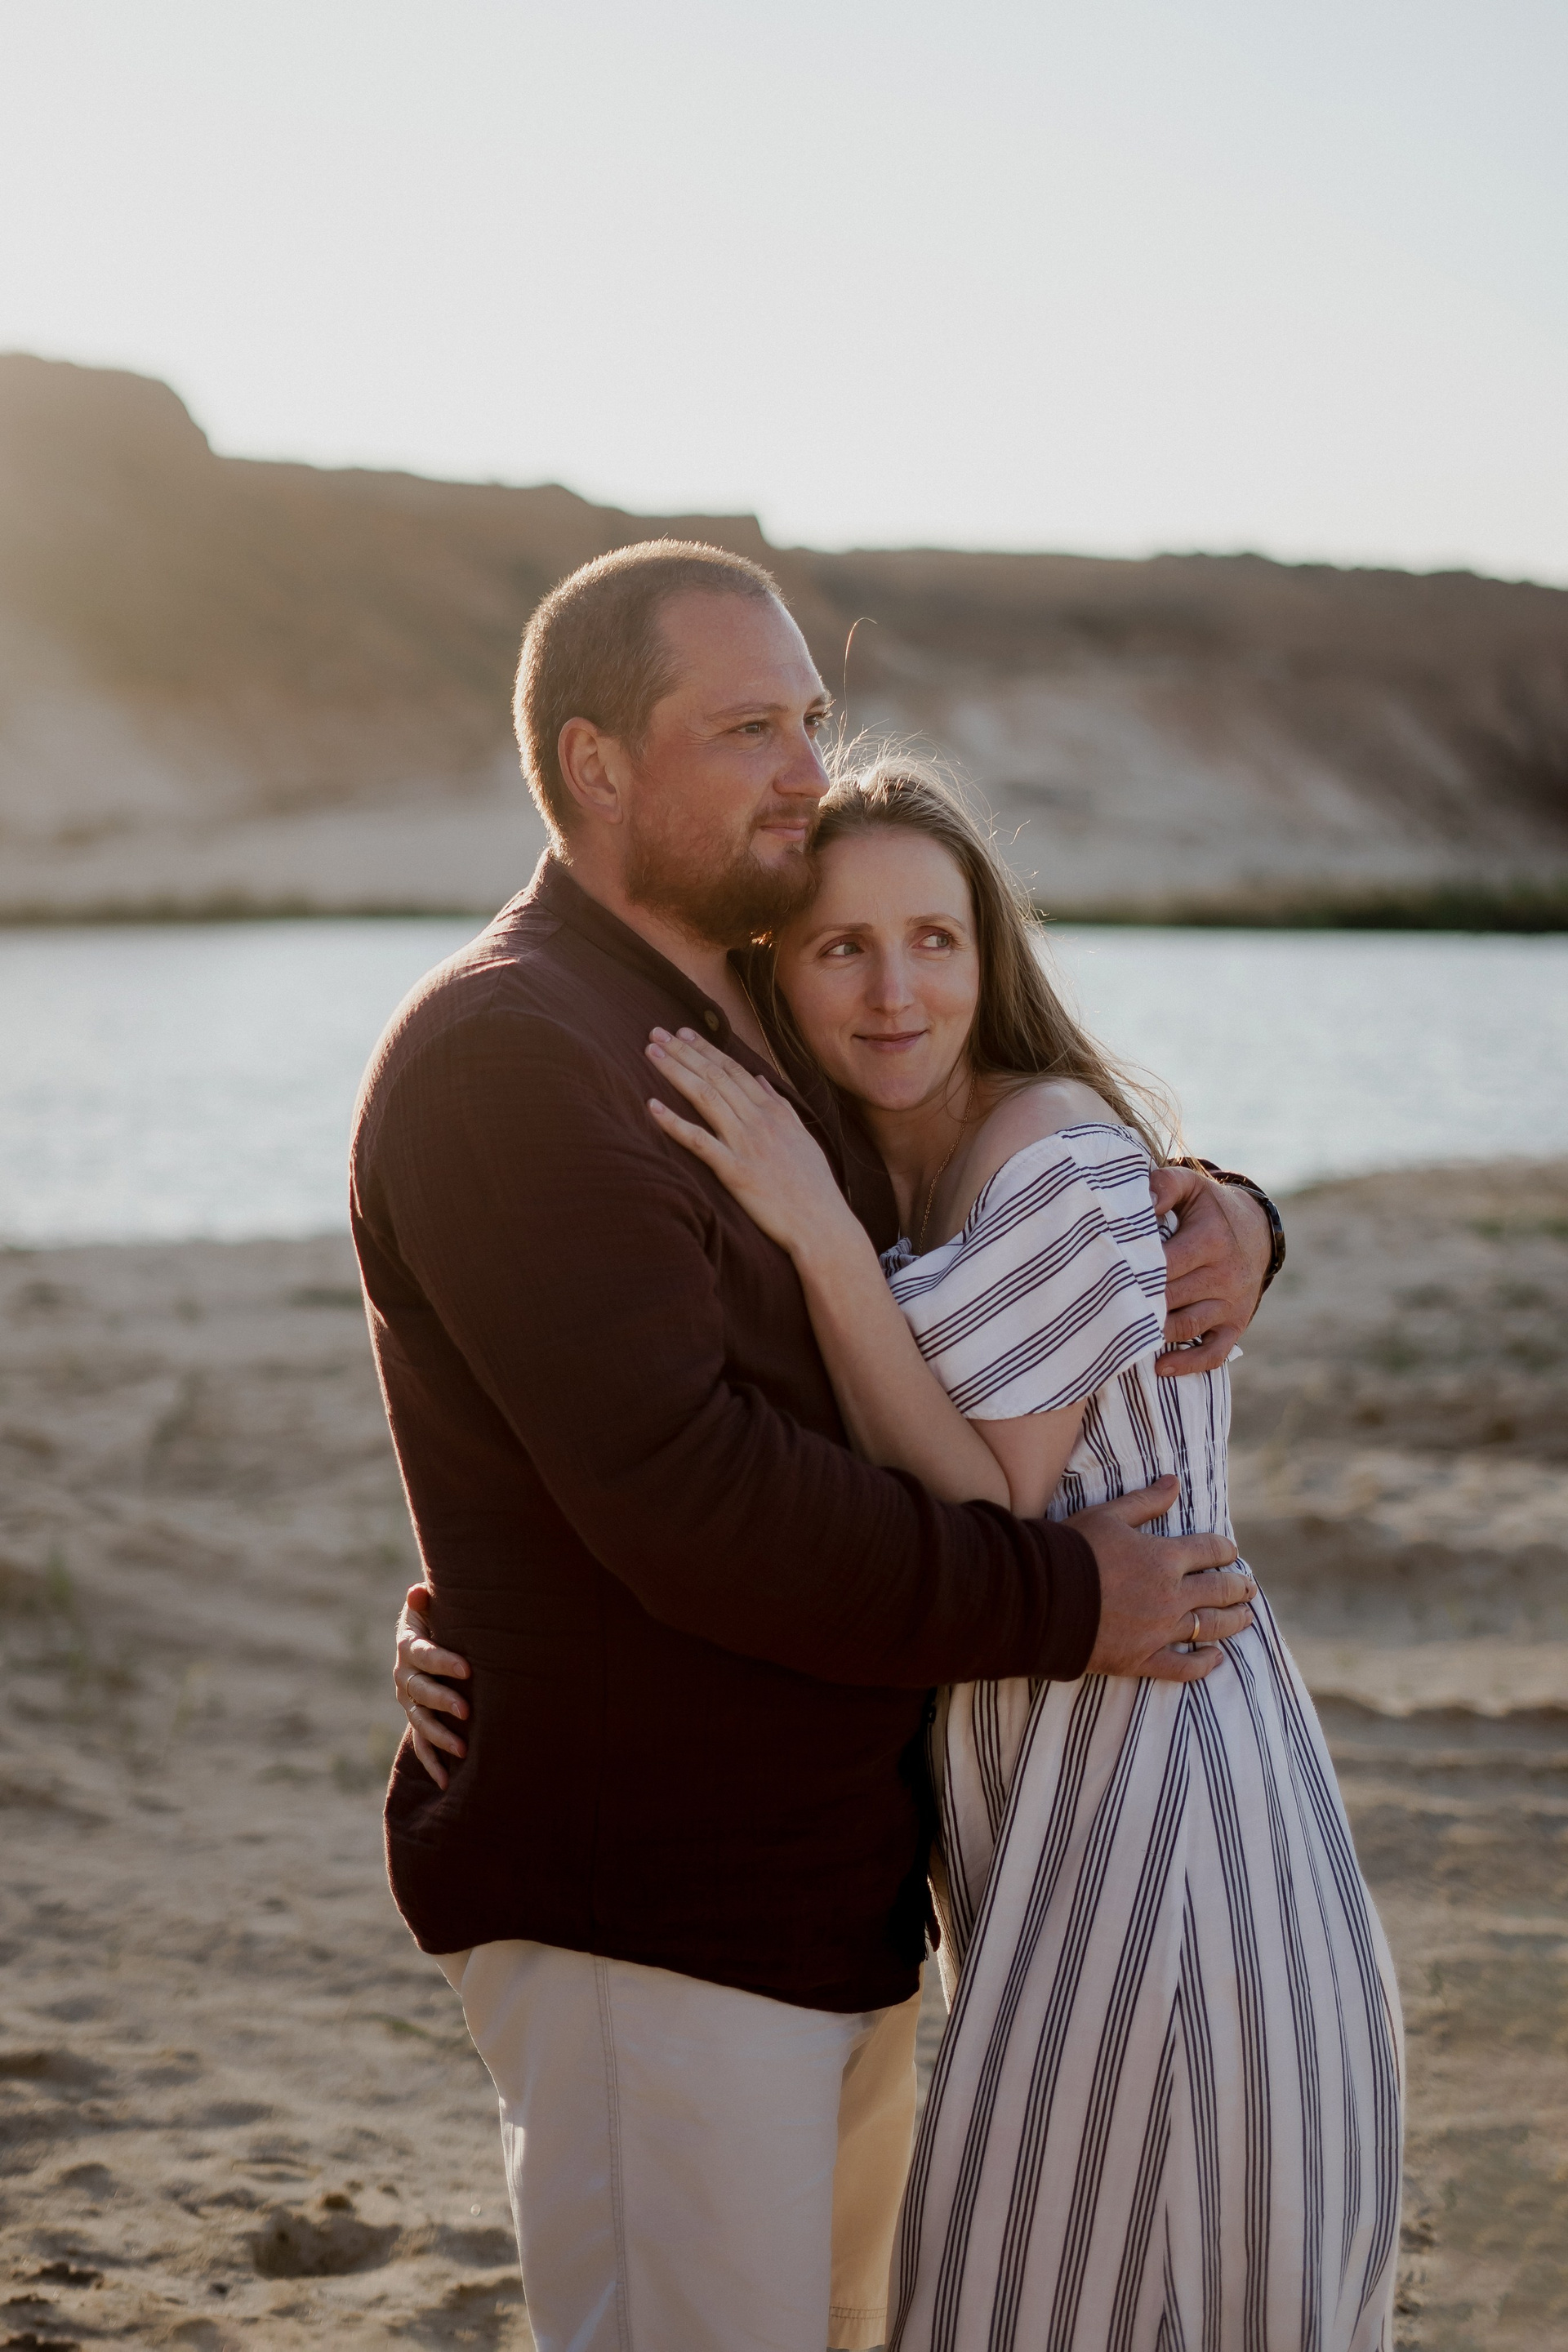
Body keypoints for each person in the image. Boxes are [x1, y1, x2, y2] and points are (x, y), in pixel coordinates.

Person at [356, 538, 1272, 2352]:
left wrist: (1235, 1212)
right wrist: (1061, 1600)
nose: (806, 767)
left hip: (834, 1891)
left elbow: (973, 1186)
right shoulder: (511, 1054)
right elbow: (691, 1496)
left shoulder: (749, 1014)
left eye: (813, 718)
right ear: (596, 763)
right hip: (652, 1906)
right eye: (748, 728)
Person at [596, 760, 1405, 2350]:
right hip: (1038, 1817)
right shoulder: (882, 1166)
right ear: (775, 970)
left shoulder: (1051, 1152)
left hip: (1165, 1811)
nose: (896, 991)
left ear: (991, 953)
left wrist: (821, 1238)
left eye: (936, 941)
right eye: (841, 948)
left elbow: (990, 1511)